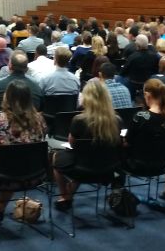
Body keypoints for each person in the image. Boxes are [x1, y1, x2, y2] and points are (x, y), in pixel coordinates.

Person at [0, 80, 47, 223]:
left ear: (7, 97)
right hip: (32, 172)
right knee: (11, 164)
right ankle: (0, 206)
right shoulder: (39, 119)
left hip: (0, 173)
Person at [52, 79, 122, 210]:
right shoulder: (116, 119)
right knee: (84, 158)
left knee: (58, 158)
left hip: (83, 166)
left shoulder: (79, 120)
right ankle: (67, 195)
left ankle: (65, 196)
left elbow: (72, 144)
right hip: (108, 166)